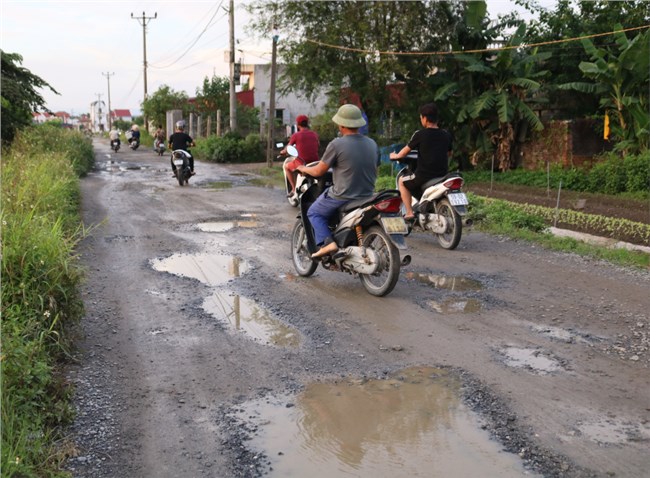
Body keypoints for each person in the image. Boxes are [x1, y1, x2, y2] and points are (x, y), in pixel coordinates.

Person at [296, 104, 378, 258]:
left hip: (343, 196)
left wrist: (303, 169)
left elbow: (319, 171)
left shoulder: (337, 144)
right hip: (368, 195)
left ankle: (328, 243)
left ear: (341, 124)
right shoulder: (372, 144)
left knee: (313, 212)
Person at [389, 103, 452, 220]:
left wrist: (395, 156)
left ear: (425, 118)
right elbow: (449, 153)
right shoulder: (446, 135)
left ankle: (409, 213)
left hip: (424, 175)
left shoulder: (420, 134)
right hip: (442, 174)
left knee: (402, 181)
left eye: (421, 117)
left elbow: (404, 152)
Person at [281, 115, 320, 197]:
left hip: (301, 163)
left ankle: (293, 189)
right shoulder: (314, 134)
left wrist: (283, 152)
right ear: (307, 123)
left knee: (286, 166)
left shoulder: (296, 135)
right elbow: (318, 145)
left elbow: (288, 148)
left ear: (298, 124)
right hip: (315, 162)